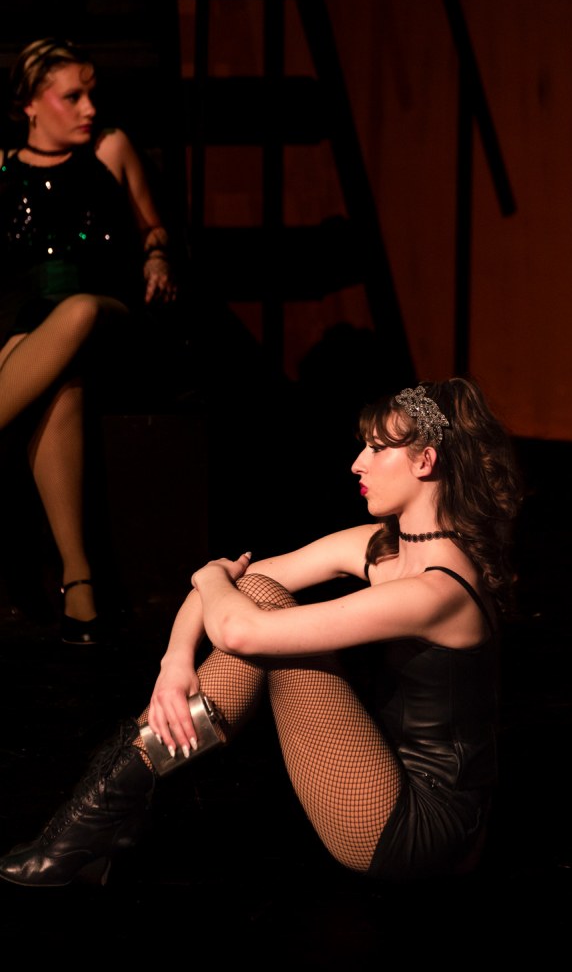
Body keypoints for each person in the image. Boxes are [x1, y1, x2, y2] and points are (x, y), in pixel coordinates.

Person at [0, 377, 522, 886]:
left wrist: (209, 576)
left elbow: (237, 626)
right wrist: (174, 663)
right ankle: (98, 818)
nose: (357, 463)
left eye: (377, 449)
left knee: (255, 611)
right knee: (254, 596)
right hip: (382, 771)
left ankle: (93, 822)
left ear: (424, 462)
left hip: (419, 829)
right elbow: (238, 596)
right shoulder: (381, 547)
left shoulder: (438, 592)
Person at [0, 37, 177, 644]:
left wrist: (157, 258)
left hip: (106, 315)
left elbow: (153, 227)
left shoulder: (110, 149)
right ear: (30, 103)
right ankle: (81, 587)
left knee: (73, 311)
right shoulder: (3, 167)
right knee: (57, 387)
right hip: (28, 325)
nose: (89, 108)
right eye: (71, 96)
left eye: (91, 94)